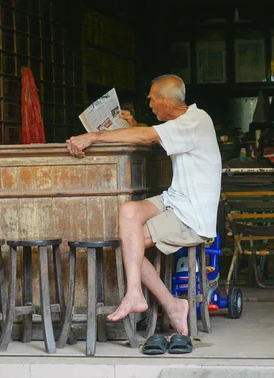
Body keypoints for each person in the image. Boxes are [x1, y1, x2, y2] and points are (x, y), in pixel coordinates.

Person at [66, 74, 221, 336]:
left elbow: (149, 137)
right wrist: (134, 126)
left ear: (166, 101)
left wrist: (93, 135)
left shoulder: (196, 120)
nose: (149, 104)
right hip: (175, 200)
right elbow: (154, 135)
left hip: (191, 215)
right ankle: (146, 296)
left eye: (151, 99)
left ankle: (161, 302)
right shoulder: (184, 121)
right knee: (129, 215)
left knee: (129, 240)